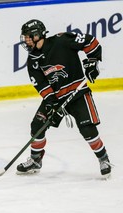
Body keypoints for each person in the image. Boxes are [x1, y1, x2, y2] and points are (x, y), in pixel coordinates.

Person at [16, 19, 112, 177]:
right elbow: (41, 84)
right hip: (56, 98)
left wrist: (92, 62)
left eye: (27, 36)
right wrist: (52, 103)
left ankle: (103, 159)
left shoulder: (61, 41)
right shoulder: (33, 59)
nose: (25, 40)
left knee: (87, 128)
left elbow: (90, 42)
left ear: (37, 35)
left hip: (78, 93)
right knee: (37, 126)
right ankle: (35, 160)